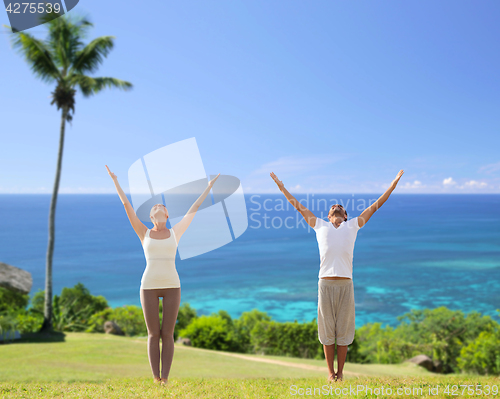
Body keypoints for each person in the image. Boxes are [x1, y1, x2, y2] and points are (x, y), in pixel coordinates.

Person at [270, 170, 404, 382]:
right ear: (328, 216)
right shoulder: (318, 225)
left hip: (345, 284)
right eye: (333, 208)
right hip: (325, 284)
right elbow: (296, 205)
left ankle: (341, 373)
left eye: (340, 207)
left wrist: (393, 185)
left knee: (343, 331)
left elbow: (377, 205)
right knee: (326, 332)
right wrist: (281, 187)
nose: (337, 207)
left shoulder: (353, 226)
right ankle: (330, 373)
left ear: (346, 216)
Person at [106, 165, 220, 386]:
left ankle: (165, 379)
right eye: (155, 206)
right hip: (148, 285)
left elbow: (195, 207)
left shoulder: (176, 232)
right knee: (152, 334)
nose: (159, 206)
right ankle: (155, 378)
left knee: (167, 334)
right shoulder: (144, 232)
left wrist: (209, 187)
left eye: (162, 206)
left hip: (172, 286)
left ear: (167, 214)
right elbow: (126, 205)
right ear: (151, 216)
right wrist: (115, 181)